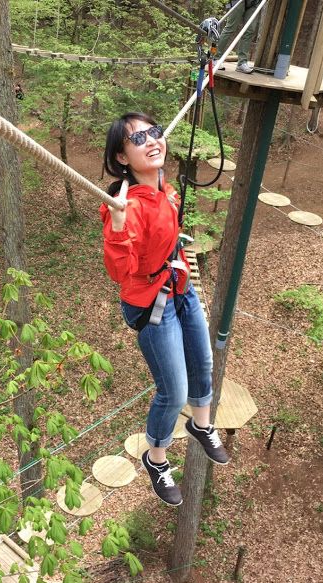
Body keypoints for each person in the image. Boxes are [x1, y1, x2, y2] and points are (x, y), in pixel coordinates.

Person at [100, 113, 229, 507]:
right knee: (173, 392)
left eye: (154, 133)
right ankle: (156, 459)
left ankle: (201, 425)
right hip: (152, 303)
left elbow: (166, 235)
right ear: (122, 157)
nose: (152, 141)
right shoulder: (127, 206)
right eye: (138, 139)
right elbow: (119, 273)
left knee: (203, 362)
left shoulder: (167, 192)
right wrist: (118, 224)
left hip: (179, 287)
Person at [216, 0, 261, 74]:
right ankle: (216, 58)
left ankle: (242, 63)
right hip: (238, 1)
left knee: (249, 31)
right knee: (230, 28)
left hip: (254, 2)